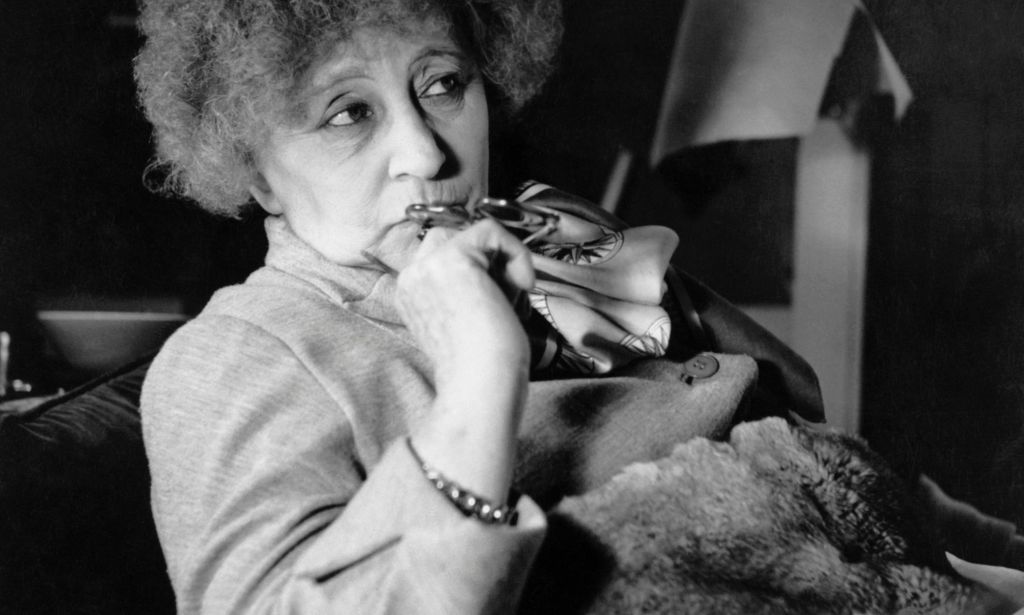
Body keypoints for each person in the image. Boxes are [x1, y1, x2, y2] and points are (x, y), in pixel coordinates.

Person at [134, 0, 820, 613]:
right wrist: (481, 377)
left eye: (443, 84)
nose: (426, 154)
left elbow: (796, 396)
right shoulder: (233, 355)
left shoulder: (550, 228)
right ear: (259, 176)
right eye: (349, 112)